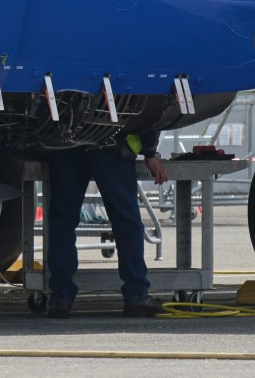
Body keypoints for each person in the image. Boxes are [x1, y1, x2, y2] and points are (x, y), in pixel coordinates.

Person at [43, 128, 170, 318]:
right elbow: (148, 112)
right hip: (110, 145)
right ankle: (136, 295)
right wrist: (150, 153)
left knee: (62, 221)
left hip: (66, 145)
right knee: (126, 221)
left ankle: (60, 298)